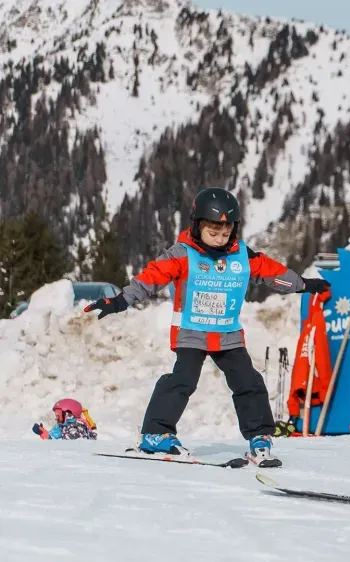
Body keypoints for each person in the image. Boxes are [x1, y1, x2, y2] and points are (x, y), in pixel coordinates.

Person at [84, 187, 330, 467]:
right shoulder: (182, 254)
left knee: (248, 381)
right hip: (192, 332)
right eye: (213, 233)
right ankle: (155, 434)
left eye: (225, 234)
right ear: (197, 225)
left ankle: (260, 439)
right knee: (182, 381)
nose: (220, 239)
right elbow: (151, 278)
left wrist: (303, 285)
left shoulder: (241, 256)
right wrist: (120, 300)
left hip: (227, 334)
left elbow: (270, 272)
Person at [32, 398, 98, 440]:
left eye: (58, 415)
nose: (56, 418)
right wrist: (43, 433)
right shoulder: (63, 426)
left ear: (67, 414)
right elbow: (52, 437)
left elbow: (68, 449)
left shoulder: (76, 429)